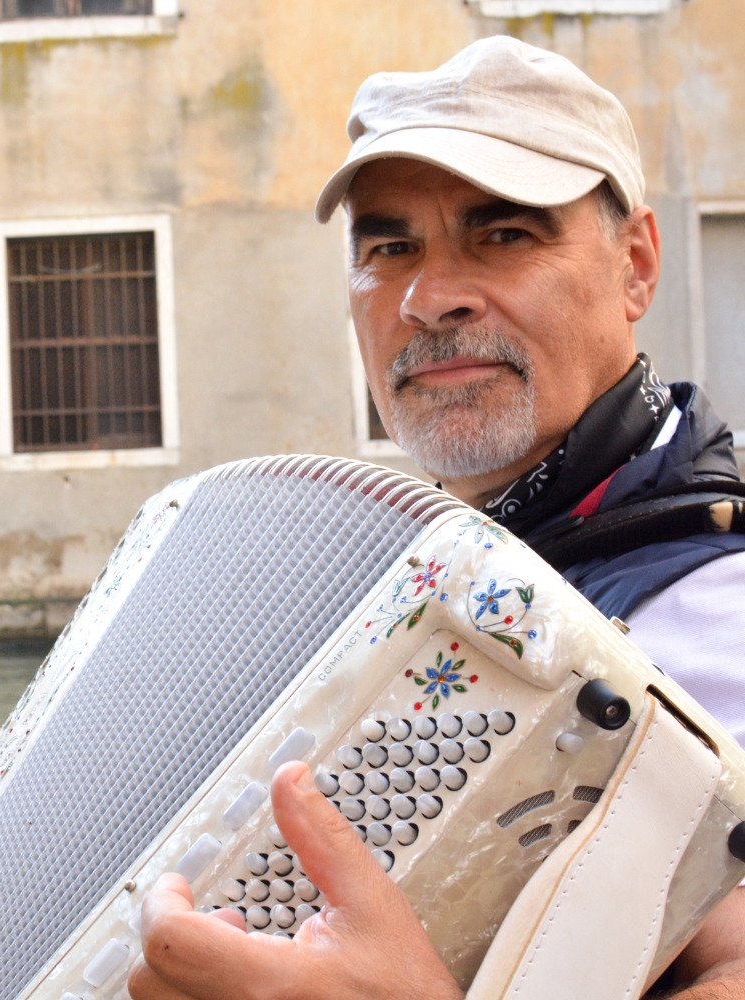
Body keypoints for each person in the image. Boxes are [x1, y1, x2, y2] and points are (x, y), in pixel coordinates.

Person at [129, 37, 745, 1000]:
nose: (427, 298)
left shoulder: (723, 607)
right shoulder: (364, 575)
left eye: (504, 235)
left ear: (635, 265)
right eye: (390, 248)